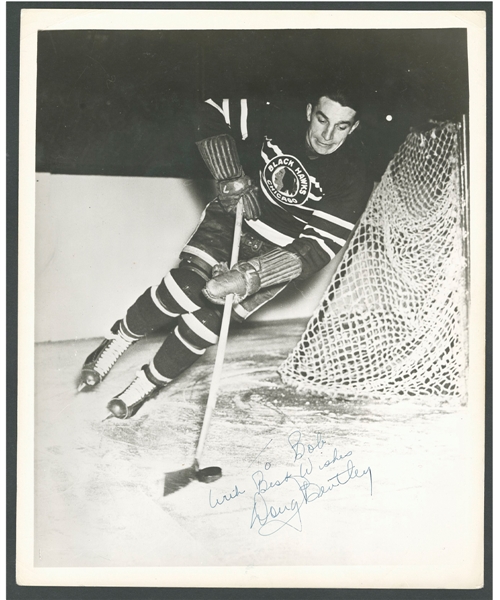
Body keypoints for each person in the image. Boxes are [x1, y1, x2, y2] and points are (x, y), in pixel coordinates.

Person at [77, 85, 374, 419]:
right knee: (186, 287)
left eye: (342, 126)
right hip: (234, 218)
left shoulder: (353, 173)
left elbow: (321, 245)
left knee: (209, 321)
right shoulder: (278, 113)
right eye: (322, 119)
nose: (327, 134)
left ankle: (144, 386)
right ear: (309, 111)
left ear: (355, 127)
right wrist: (230, 174)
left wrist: (253, 275)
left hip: (277, 254)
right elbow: (208, 111)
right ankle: (117, 341)